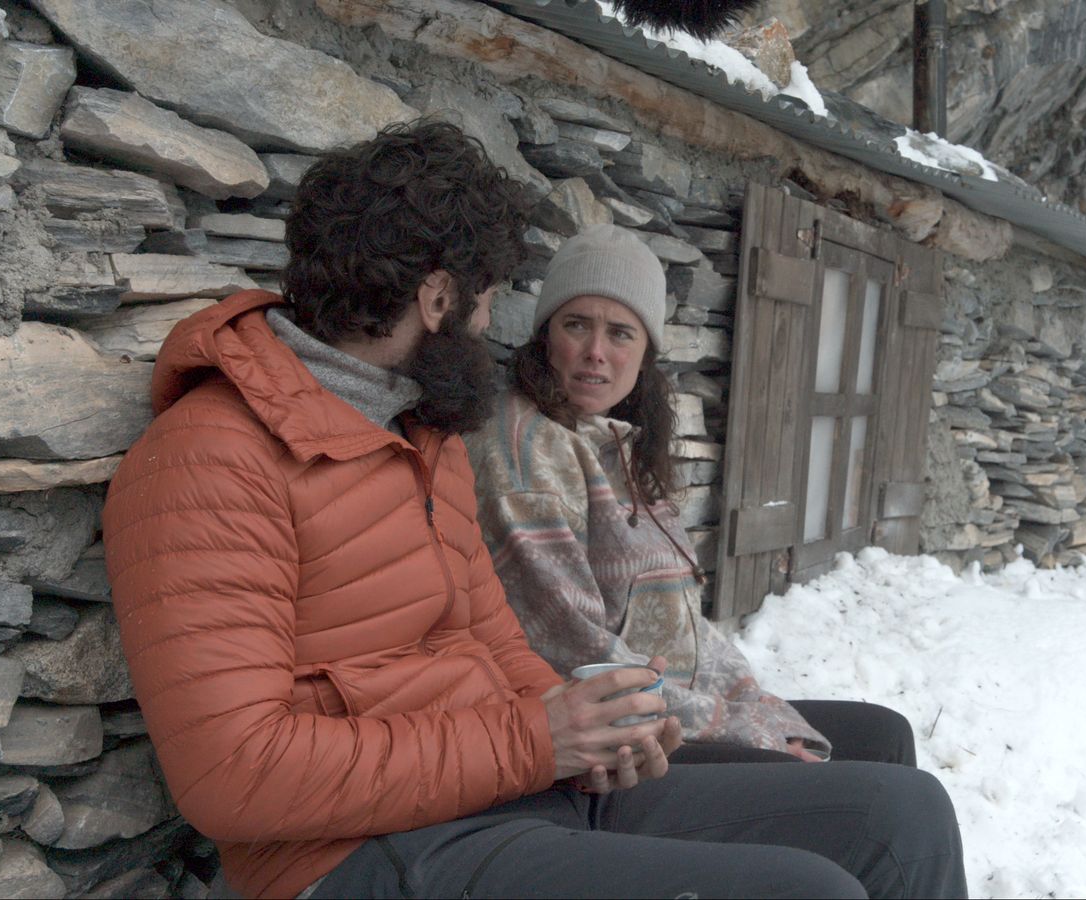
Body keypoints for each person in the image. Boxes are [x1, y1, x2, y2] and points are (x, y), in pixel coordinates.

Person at [102, 120, 966, 900]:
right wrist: (537, 741)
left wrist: (599, 738)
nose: (488, 322)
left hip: (511, 795)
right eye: (484, 298)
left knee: (901, 816)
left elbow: (498, 646)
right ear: (437, 298)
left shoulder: (419, 436)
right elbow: (233, 774)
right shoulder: (209, 460)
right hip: (359, 856)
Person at [466, 224, 917, 766]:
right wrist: (746, 730)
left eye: (620, 333)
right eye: (576, 324)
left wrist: (754, 700)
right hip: (634, 739)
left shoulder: (620, 443)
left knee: (886, 735)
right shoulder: (526, 453)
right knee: (891, 799)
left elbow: (684, 622)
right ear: (545, 336)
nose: (595, 352)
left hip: (683, 705)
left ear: (646, 351)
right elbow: (572, 645)